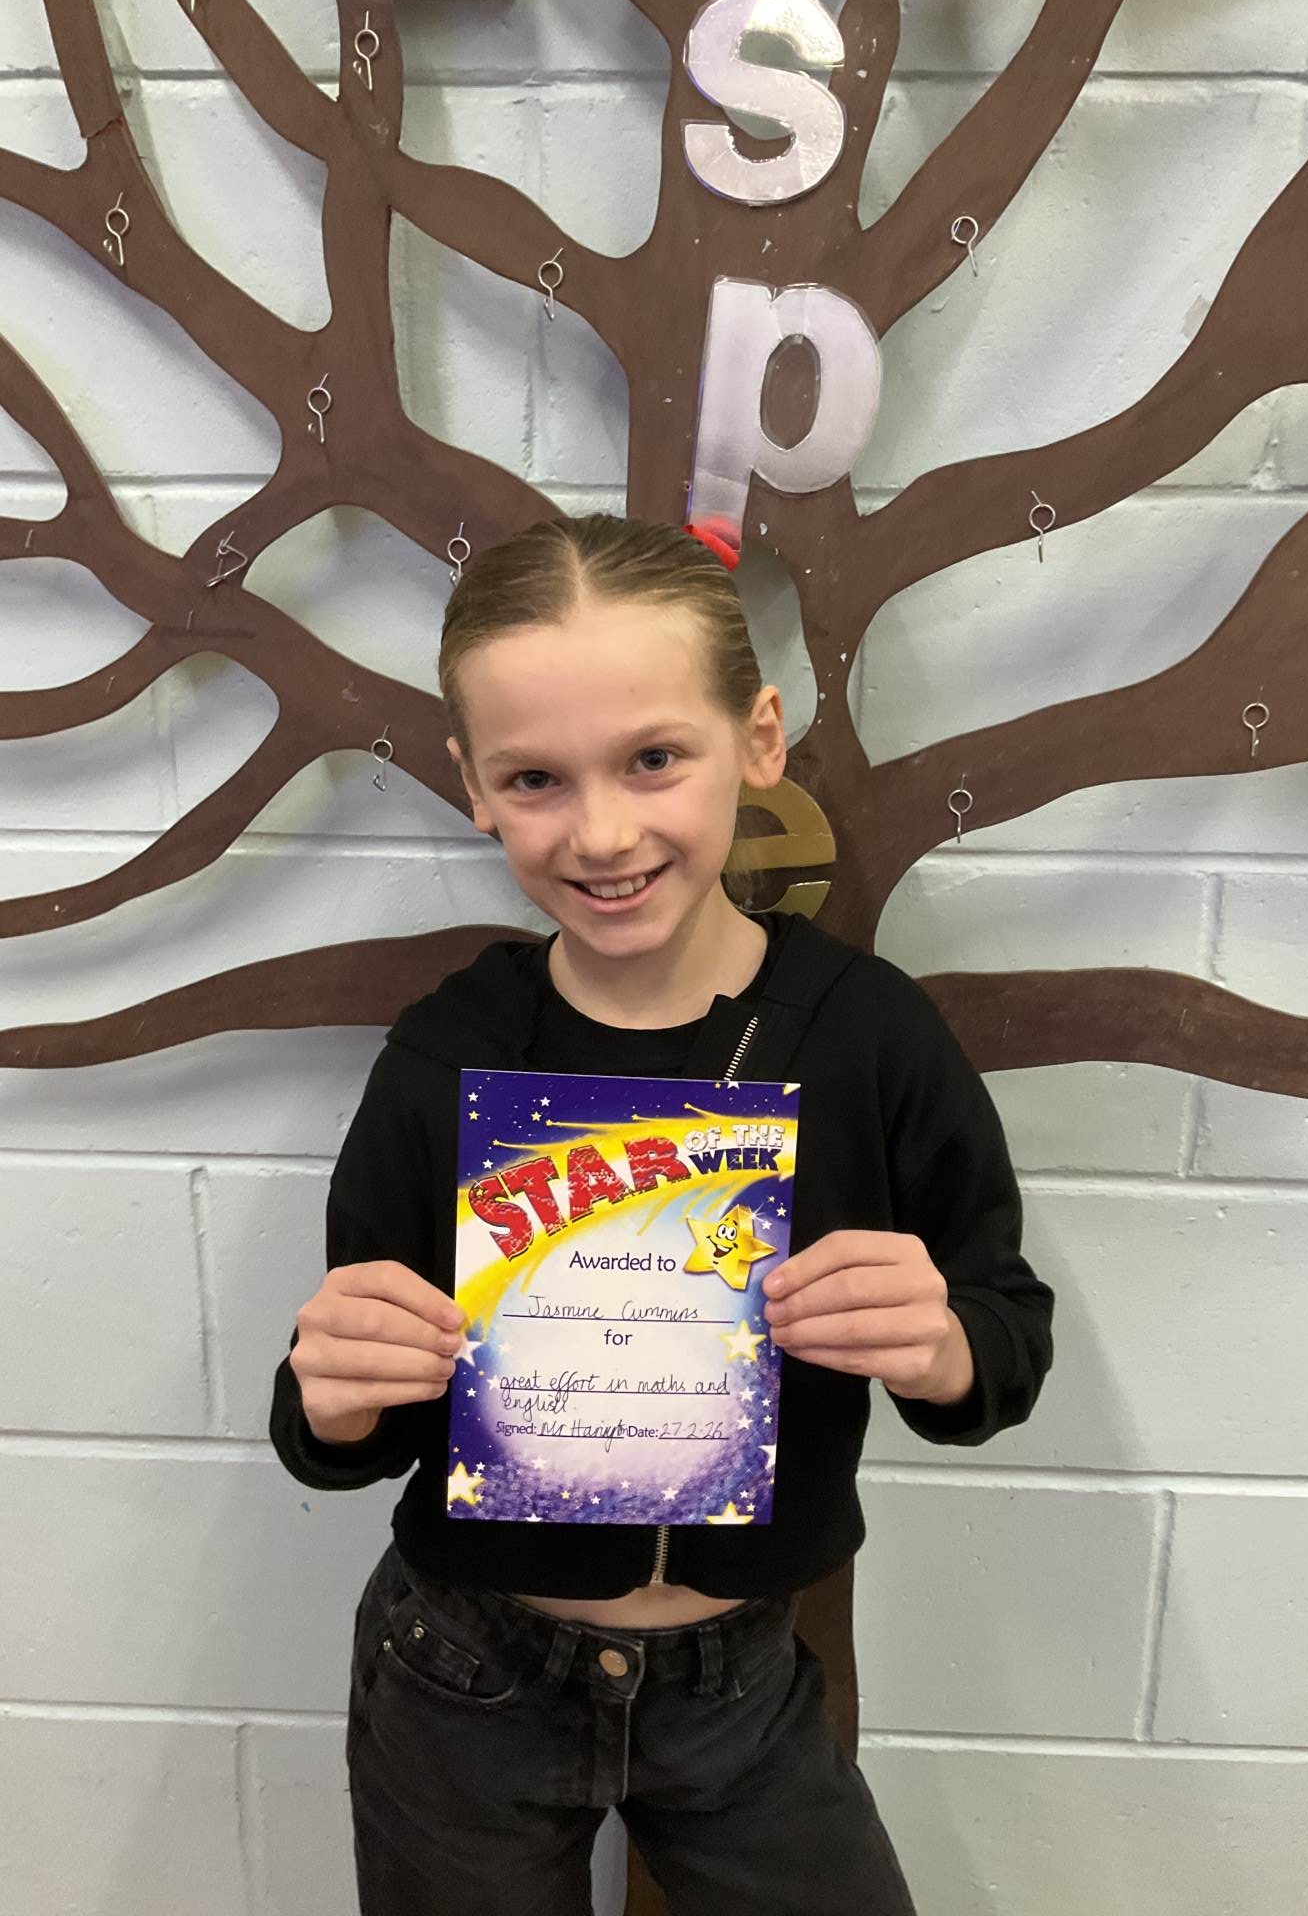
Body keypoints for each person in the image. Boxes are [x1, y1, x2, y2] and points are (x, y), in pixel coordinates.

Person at [269, 512, 1055, 1916]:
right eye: (536, 778)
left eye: (652, 759)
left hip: (744, 1683)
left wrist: (944, 1347)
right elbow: (344, 1420)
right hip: (464, 1674)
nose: (604, 832)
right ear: (474, 787)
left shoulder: (868, 1038)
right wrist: (329, 1397)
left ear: (758, 739)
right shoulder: (450, 1054)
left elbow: (1007, 1334)